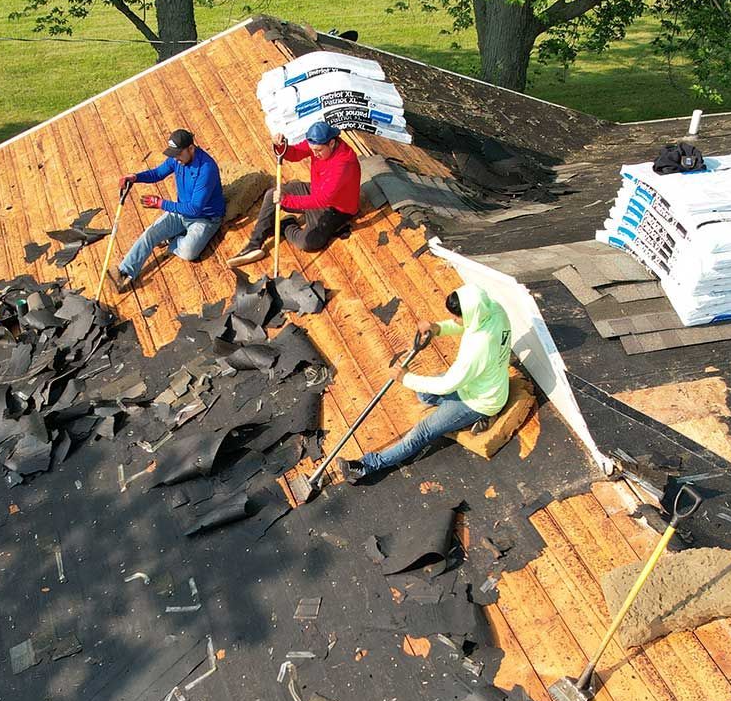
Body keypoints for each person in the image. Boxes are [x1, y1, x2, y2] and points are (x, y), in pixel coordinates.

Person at [340, 284, 512, 483]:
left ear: (471, 314)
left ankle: (367, 466)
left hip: (479, 400)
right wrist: (438, 328)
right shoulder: (494, 310)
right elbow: (467, 323)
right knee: (424, 395)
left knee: (422, 432)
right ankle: (467, 419)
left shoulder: (479, 347)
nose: (455, 320)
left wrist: (406, 378)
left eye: (457, 317)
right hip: (478, 381)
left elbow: (447, 385)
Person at [226, 120, 359, 268]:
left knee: (308, 243)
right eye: (312, 149)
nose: (314, 153)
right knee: (272, 194)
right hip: (316, 190)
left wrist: (286, 201)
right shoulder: (318, 144)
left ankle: (286, 226)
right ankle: (253, 245)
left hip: (336, 208)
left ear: (332, 143)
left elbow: (322, 200)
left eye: (318, 150)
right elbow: (296, 153)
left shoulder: (344, 163)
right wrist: (281, 147)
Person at [110, 129, 225, 291]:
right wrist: (136, 177)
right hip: (180, 210)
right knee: (150, 233)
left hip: (205, 218)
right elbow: (157, 173)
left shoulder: (207, 170)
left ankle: (173, 241)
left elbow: (195, 209)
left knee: (189, 252)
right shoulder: (177, 159)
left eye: (178, 154)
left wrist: (160, 204)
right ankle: (124, 271)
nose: (175, 158)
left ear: (191, 149)